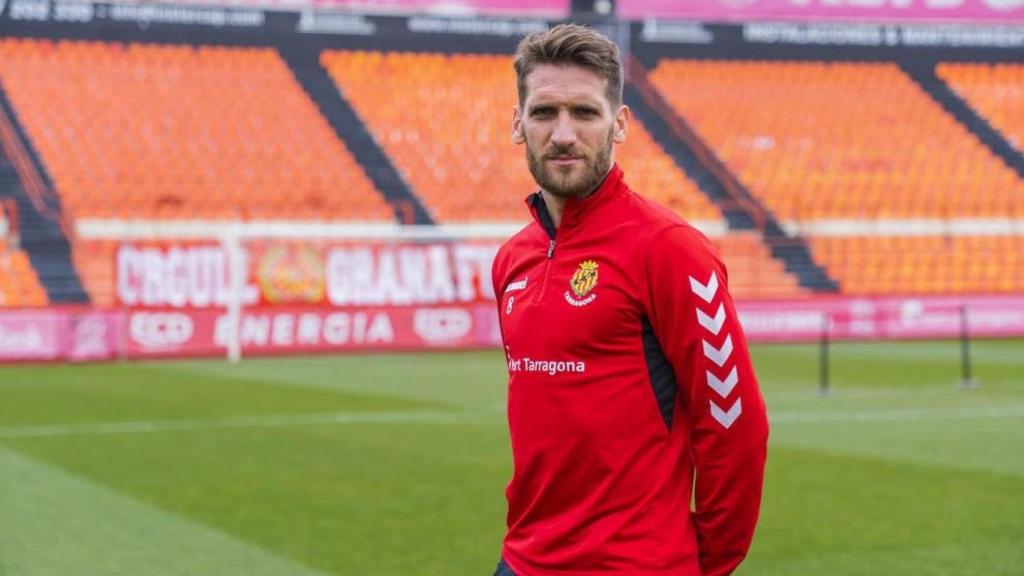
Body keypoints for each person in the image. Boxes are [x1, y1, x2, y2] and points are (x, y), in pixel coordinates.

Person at [490, 24, 769, 576]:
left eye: (585, 113)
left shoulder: (670, 249)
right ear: (517, 124)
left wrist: (705, 564)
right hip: (523, 562)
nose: (563, 133)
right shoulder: (511, 259)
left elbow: (735, 424)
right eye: (544, 113)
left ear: (618, 124)